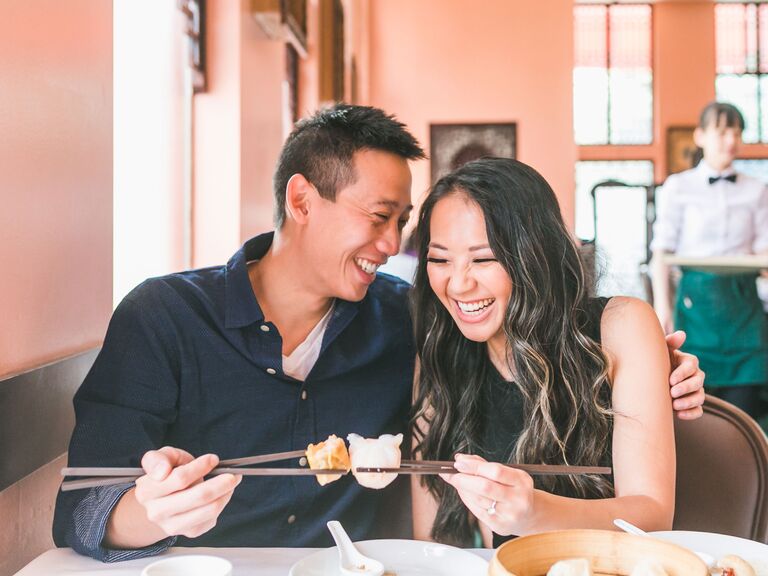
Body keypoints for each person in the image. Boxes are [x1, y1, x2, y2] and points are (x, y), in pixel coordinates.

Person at [54, 104, 704, 562]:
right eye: (378, 217)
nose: (394, 246)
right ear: (302, 202)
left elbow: (554, 342)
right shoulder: (163, 317)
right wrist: (149, 512)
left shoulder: (409, 318)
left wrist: (657, 367)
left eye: (403, 221)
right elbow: (80, 507)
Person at [411, 158, 675, 547]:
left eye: (483, 259)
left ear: (534, 254)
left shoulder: (620, 327)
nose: (458, 284)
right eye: (439, 259)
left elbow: (653, 515)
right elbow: (432, 541)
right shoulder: (440, 350)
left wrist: (535, 513)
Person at [651, 102, 768, 421]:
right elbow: (660, 252)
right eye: (721, 131)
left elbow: (763, 254)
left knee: (745, 414)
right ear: (701, 136)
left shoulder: (757, 190)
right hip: (695, 306)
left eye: (736, 132)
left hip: (744, 309)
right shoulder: (678, 186)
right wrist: (663, 308)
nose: (730, 140)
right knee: (694, 410)